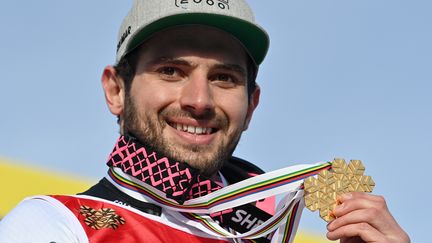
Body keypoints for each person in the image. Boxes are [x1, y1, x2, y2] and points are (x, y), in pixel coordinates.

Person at [0, 0, 409, 242]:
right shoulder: (56, 226)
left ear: (251, 105)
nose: (199, 100)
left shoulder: (270, 228)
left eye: (224, 78)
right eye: (171, 71)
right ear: (116, 90)